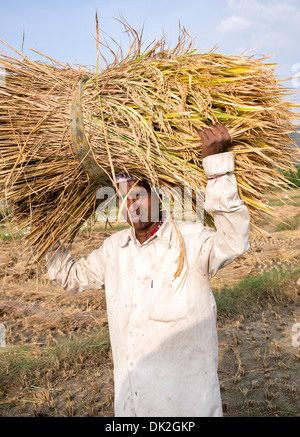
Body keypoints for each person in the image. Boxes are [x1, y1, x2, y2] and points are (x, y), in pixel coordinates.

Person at [46, 123, 251, 417]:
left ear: (157, 196)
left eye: (138, 195)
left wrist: (217, 169)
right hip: (132, 408)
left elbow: (234, 241)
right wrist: (45, 231)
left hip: (186, 408)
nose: (132, 206)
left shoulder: (190, 241)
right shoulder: (114, 249)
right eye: (123, 199)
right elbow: (71, 275)